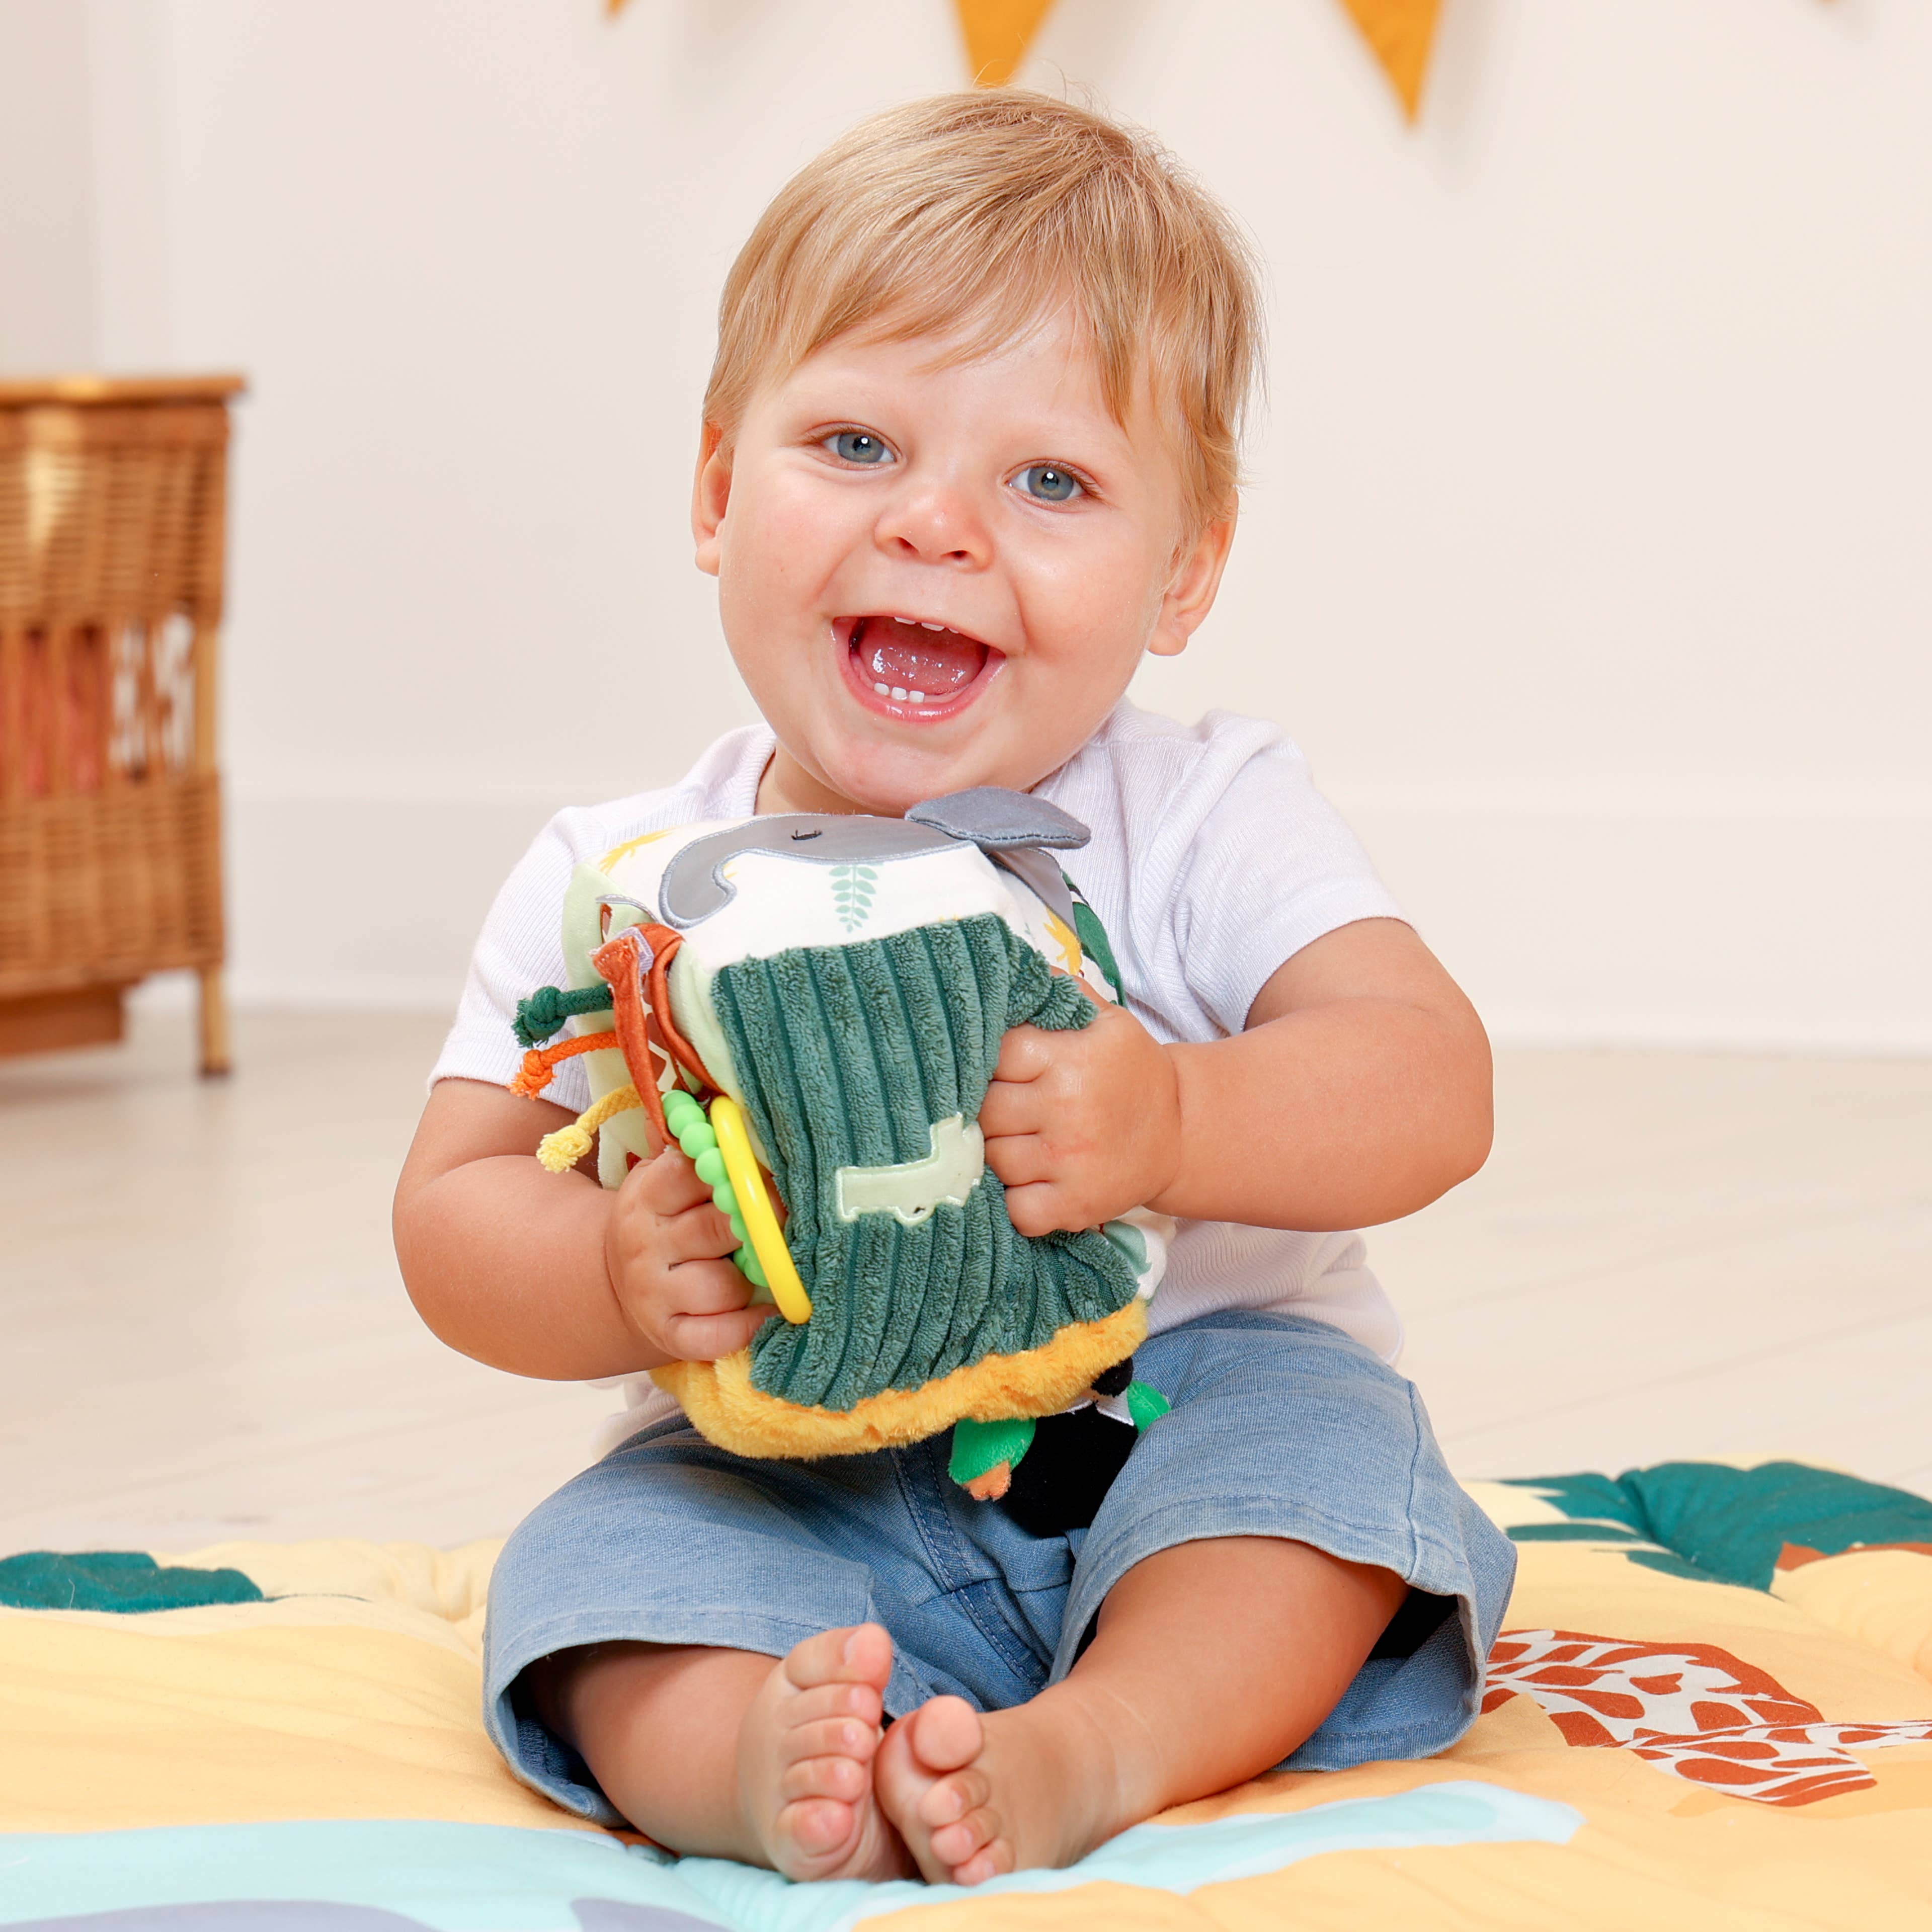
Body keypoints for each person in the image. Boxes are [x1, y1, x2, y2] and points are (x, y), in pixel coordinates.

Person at [393, 89, 1513, 1888]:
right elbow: (448, 1211)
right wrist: (612, 1274)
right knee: (598, 1576)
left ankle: (1100, 1743)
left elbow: (1431, 1081)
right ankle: (759, 1764)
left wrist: (1181, 1115)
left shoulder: (1206, 813)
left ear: (1186, 567)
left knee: (1325, 1480)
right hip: (791, 1478)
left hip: (1173, 1409)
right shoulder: (616, 877)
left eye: (1051, 481)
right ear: (712, 489)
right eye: (853, 443)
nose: (934, 525)